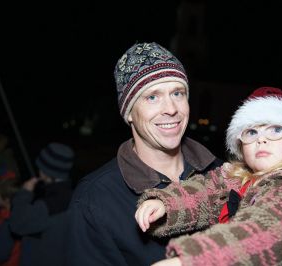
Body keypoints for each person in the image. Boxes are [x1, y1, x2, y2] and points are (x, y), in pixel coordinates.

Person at [135, 87, 282, 266]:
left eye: (276, 129)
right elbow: (204, 192)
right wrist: (167, 204)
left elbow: (263, 236)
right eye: (251, 132)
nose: (262, 139)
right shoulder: (237, 177)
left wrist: (190, 260)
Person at [66, 42, 222, 266]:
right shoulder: (95, 200)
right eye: (152, 97)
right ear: (129, 112)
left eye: (178, 93)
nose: (171, 108)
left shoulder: (224, 174)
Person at [9, 142, 74, 266]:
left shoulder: (49, 205)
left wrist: (24, 193)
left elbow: (16, 224)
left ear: (46, 171)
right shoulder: (74, 195)